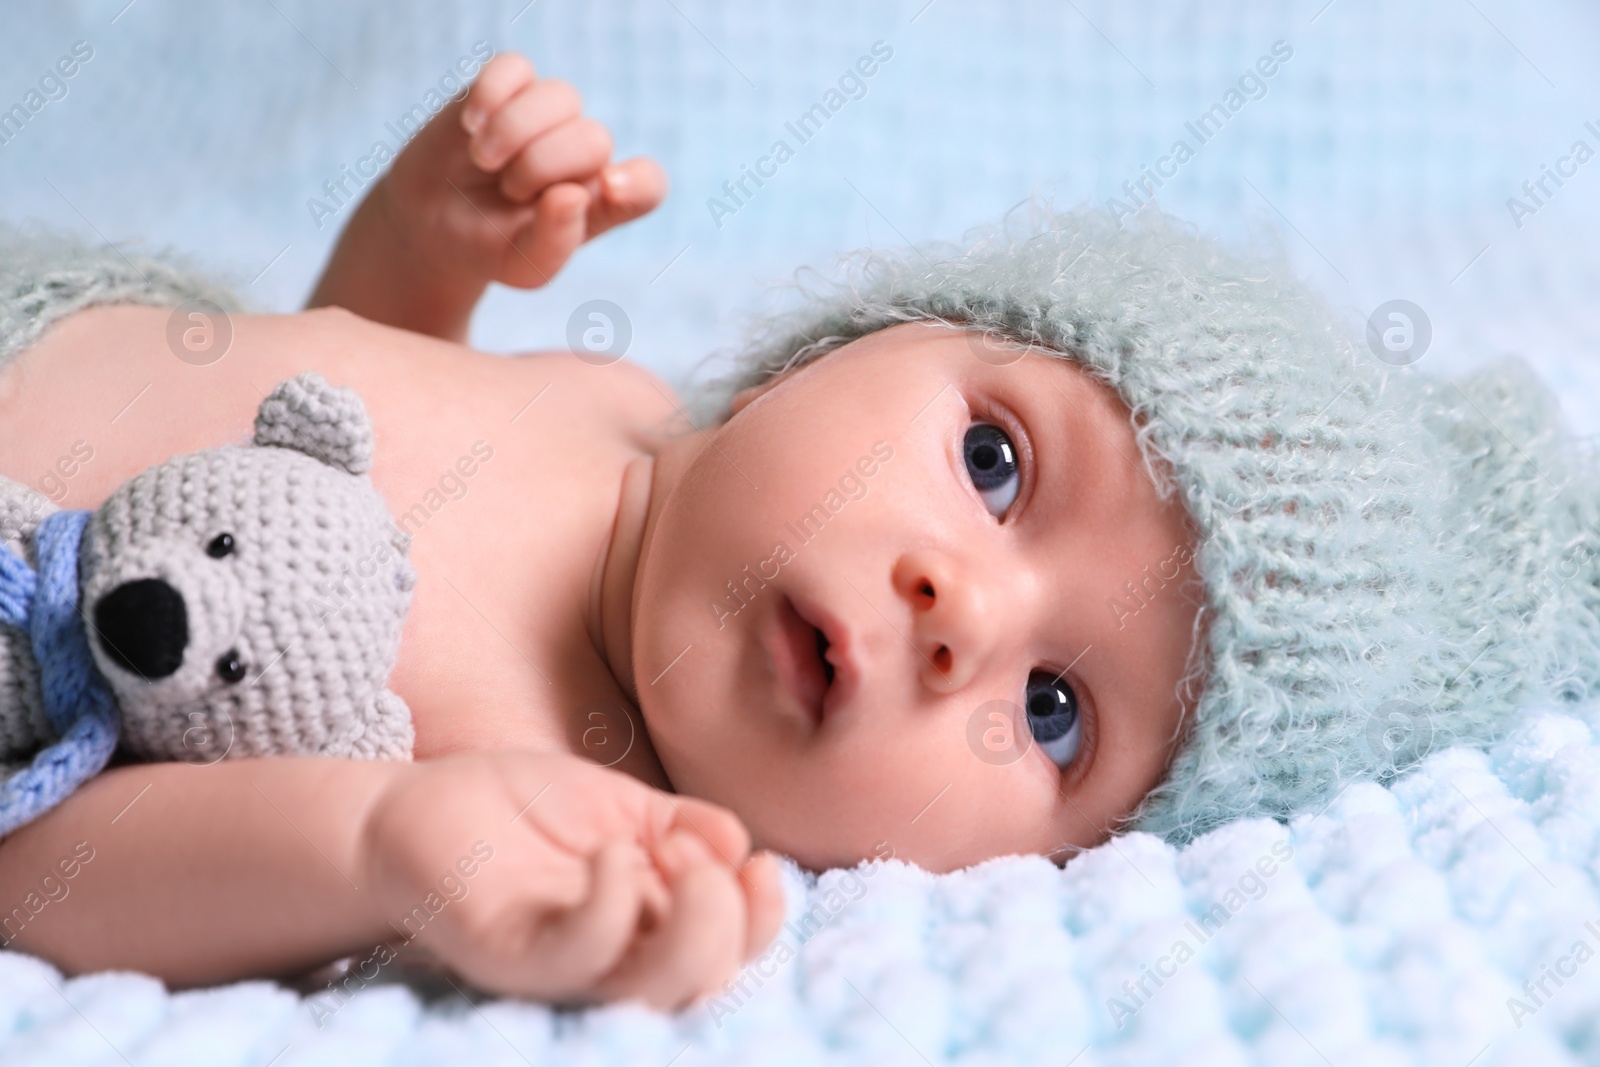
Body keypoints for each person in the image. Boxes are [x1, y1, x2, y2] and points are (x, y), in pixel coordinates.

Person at [2, 51, 1594, 1011]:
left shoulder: (559, 789)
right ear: (856, 342)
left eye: (1055, 713)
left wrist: (381, 857)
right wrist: (422, 249)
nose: (959, 606)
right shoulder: (612, 398)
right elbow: (293, 485)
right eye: (994, 462)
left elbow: (48, 863)